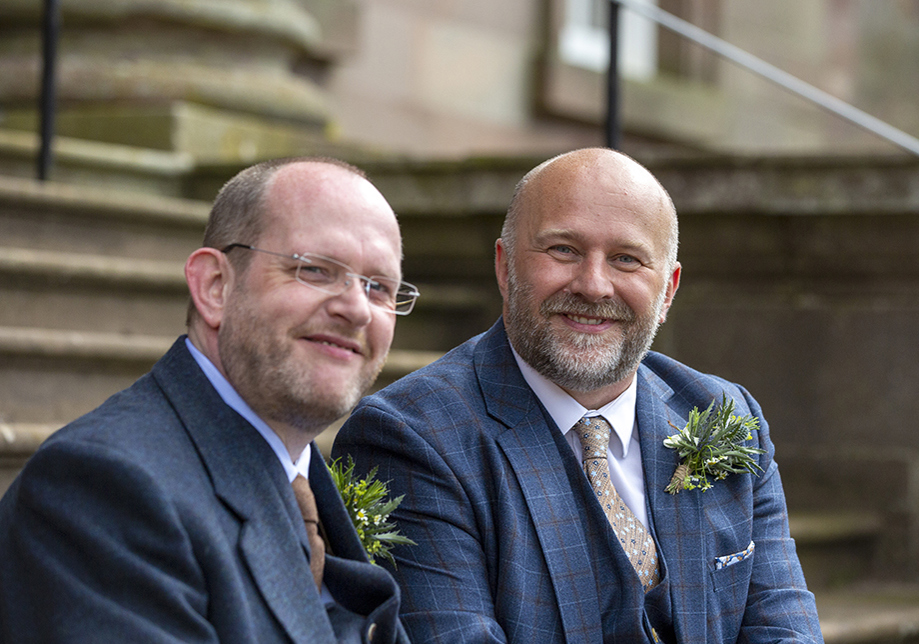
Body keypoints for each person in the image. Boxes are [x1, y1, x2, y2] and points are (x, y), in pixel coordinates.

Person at [333, 148, 823, 643]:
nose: (593, 285)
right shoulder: (411, 436)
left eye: (626, 259)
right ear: (505, 268)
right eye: (563, 250)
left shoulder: (724, 413)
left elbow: (783, 625)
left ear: (668, 291)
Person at [0, 157, 419, 643]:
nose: (356, 309)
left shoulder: (298, 476)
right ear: (215, 286)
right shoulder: (103, 489)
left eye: (378, 287)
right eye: (317, 270)